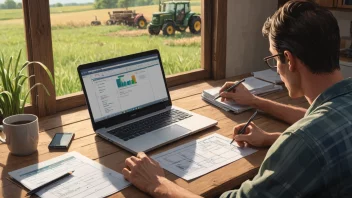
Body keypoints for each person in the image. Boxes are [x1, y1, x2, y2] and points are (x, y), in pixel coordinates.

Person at [122, 1, 352, 197]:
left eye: (273, 59)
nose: (277, 70)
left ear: (289, 60)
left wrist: (157, 183)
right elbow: (322, 122)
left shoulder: (303, 142)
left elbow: (309, 138)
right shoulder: (342, 101)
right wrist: (261, 115)